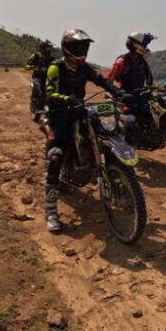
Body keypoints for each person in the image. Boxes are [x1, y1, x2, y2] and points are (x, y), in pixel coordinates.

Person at [44, 29, 120, 232]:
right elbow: (49, 94)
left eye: (84, 46)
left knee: (109, 138)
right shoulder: (56, 67)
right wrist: (66, 99)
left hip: (81, 112)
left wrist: (117, 91)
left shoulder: (83, 67)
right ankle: (51, 210)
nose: (83, 50)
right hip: (60, 116)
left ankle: (118, 185)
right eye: (79, 46)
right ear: (67, 48)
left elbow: (100, 80)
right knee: (56, 155)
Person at [26, 40, 54, 121]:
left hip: (48, 78)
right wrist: (37, 69)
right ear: (42, 49)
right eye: (47, 48)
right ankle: (34, 102)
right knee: (37, 86)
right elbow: (27, 66)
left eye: (49, 48)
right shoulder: (36, 56)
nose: (48, 50)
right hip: (38, 77)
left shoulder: (52, 59)